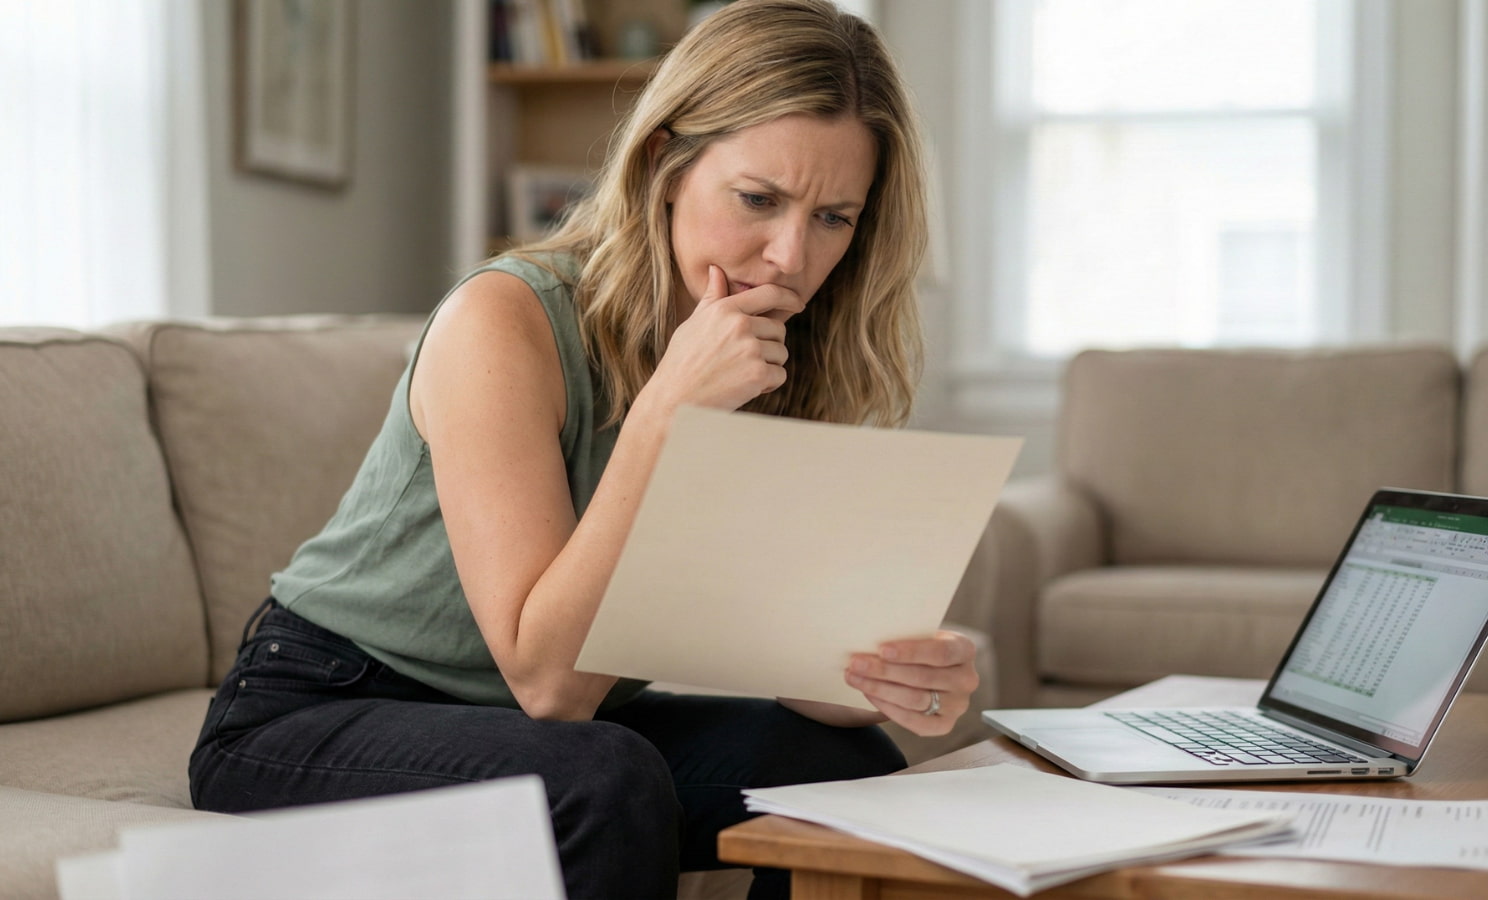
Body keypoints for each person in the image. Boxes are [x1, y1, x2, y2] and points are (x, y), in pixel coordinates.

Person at [189, 1, 978, 896]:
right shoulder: (504, 318)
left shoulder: (782, 354)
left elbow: (784, 657)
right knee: (602, 778)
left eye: (834, 217)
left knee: (843, 759)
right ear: (664, 166)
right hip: (319, 712)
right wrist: (669, 415)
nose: (790, 254)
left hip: (544, 729)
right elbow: (553, 687)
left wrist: (892, 676)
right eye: (759, 200)